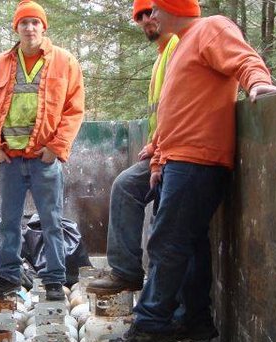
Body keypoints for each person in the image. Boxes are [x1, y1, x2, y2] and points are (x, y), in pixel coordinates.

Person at [109, 0, 276, 342]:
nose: (150, 16)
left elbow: (244, 59)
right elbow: (176, 111)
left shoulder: (210, 28)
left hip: (198, 160)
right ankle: (195, 319)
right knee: (190, 243)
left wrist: (258, 83)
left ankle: (151, 323)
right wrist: (157, 158)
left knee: (167, 241)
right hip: (178, 159)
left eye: (155, 8)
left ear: (174, 6)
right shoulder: (180, 45)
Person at [0, 0, 85, 302]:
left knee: (52, 222)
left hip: (44, 159)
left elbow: (74, 108)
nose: (29, 28)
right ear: (16, 28)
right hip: (9, 159)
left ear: (43, 27)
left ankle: (54, 280)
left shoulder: (64, 61)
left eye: (35, 22)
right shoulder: (2, 62)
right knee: (9, 222)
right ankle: (9, 277)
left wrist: (56, 147)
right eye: (24, 23)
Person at [86, 0, 179, 294]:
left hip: (178, 154)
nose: (145, 20)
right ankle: (130, 274)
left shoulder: (178, 47)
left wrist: (159, 153)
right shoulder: (162, 56)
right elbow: (163, 113)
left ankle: (149, 288)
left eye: (150, 12)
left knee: (138, 196)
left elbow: (180, 109)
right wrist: (153, 145)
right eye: (139, 16)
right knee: (126, 186)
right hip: (163, 150)